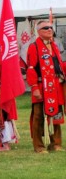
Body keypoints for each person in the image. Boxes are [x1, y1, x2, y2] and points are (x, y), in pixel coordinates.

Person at [26, 20, 66, 153]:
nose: (49, 29)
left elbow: (58, 65)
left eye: (51, 27)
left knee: (56, 114)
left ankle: (56, 143)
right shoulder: (34, 47)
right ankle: (39, 146)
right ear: (38, 32)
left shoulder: (54, 46)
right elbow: (31, 68)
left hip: (55, 86)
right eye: (45, 28)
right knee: (38, 115)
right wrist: (34, 87)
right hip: (40, 85)